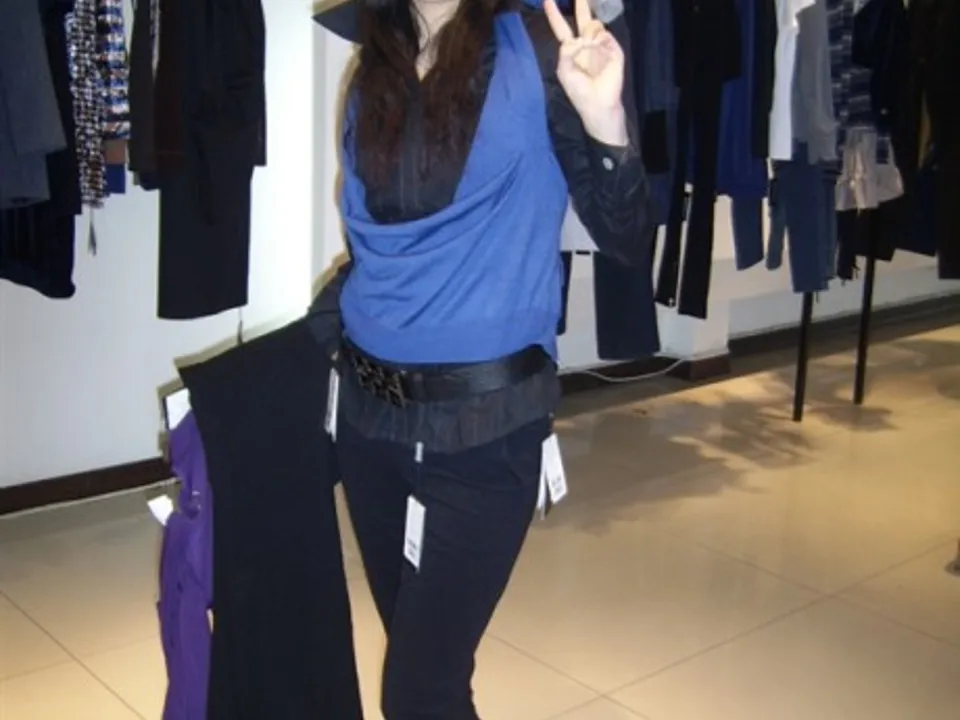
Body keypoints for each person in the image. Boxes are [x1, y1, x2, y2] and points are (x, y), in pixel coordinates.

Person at [309, 0, 654, 716]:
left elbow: (628, 237)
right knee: (424, 670)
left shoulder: (539, 47)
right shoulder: (374, 66)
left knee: (417, 691)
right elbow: (375, 252)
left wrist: (604, 121)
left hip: (484, 433)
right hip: (369, 426)